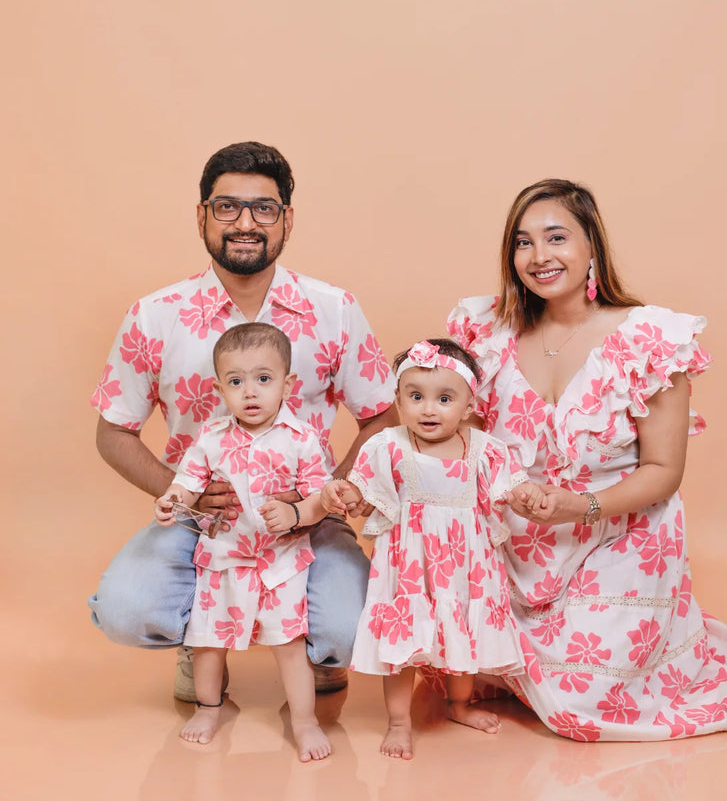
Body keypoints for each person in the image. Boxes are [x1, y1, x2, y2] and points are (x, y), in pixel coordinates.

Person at [447, 178, 727, 740]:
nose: (539, 257)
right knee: (450, 647)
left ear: (592, 246)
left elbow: (664, 471)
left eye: (556, 237)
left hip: (619, 537)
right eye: (523, 242)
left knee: (581, 704)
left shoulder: (649, 339)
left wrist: (579, 506)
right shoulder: (487, 333)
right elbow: (457, 439)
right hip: (518, 542)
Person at [90, 141, 397, 700]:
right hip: (200, 521)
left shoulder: (335, 309)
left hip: (308, 518)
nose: (246, 223)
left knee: (354, 629)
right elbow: (112, 432)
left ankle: (317, 645)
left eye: (265, 208)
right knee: (126, 609)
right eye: (227, 207)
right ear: (202, 215)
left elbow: (382, 416)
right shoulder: (155, 315)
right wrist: (182, 493)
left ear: (287, 219)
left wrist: (328, 497)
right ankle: (200, 640)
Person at [321, 338, 537, 759]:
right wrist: (345, 494)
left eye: (443, 399)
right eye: (415, 397)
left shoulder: (485, 449)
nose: (428, 409)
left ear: (469, 405)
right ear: (399, 400)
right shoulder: (388, 446)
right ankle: (399, 722)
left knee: (463, 637)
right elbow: (365, 493)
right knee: (402, 646)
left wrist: (525, 492)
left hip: (466, 564)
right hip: (409, 564)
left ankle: (459, 704)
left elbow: (510, 484)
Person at [155, 323, 332, 758]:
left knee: (289, 645)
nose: (250, 392)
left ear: (288, 384)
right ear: (220, 389)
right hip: (223, 558)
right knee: (209, 642)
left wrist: (294, 513)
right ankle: (208, 708)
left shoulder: (302, 439)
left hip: (280, 561)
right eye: (236, 382)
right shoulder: (213, 437)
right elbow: (188, 482)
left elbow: (320, 497)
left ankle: (305, 720)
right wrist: (171, 501)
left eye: (263, 379)